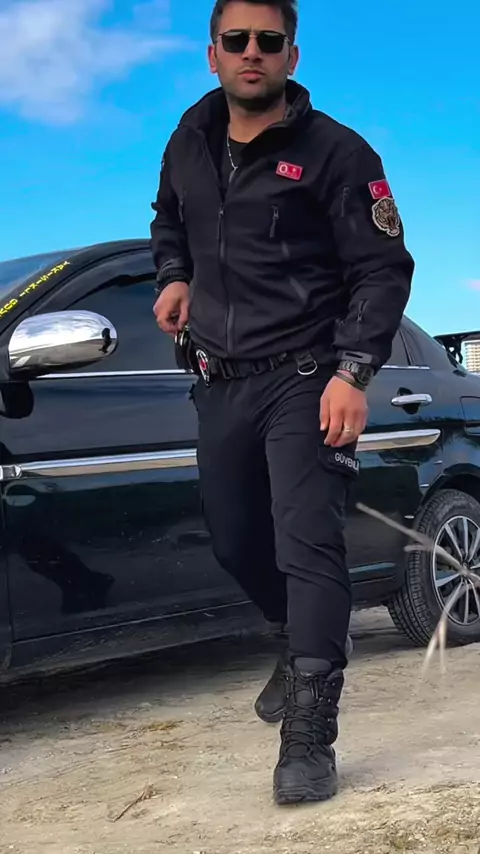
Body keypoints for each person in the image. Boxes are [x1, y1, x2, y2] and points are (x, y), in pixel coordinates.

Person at [150, 0, 414, 806]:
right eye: (237, 40)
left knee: (308, 545)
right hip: (221, 381)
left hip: (308, 377)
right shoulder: (189, 140)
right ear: (212, 53)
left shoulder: (338, 152)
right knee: (235, 541)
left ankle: (309, 732)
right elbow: (168, 221)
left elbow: (382, 268)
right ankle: (293, 636)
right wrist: (175, 276)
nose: (252, 52)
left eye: (270, 41)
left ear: (292, 56)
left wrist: (353, 372)